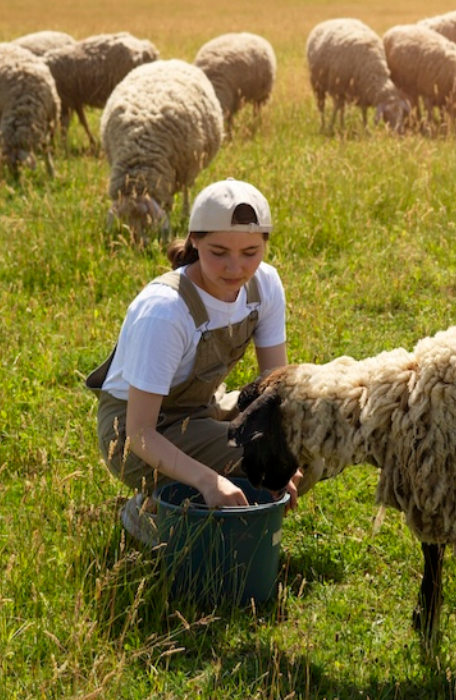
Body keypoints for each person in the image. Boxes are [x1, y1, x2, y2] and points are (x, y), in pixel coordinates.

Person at [85, 178, 301, 543]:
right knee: (260, 461)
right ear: (194, 241)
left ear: (265, 243)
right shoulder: (166, 310)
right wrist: (209, 479)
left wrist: (289, 453)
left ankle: (198, 511)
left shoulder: (265, 285)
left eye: (250, 252)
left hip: (200, 409)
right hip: (134, 433)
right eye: (219, 252)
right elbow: (140, 432)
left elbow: (274, 387)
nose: (235, 267)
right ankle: (152, 512)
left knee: (307, 442)